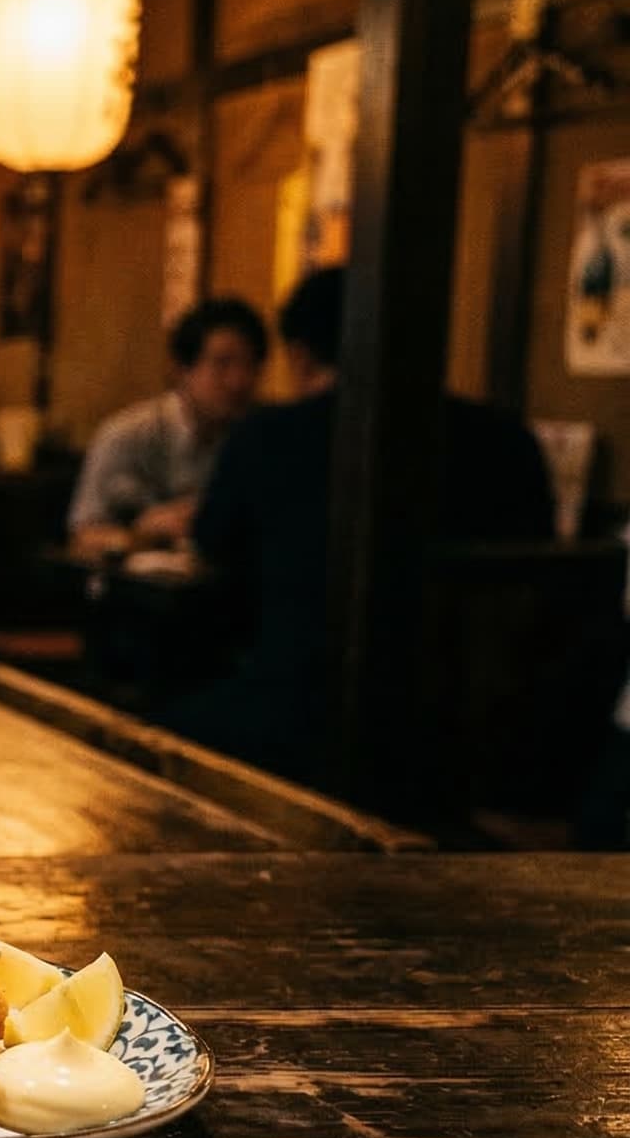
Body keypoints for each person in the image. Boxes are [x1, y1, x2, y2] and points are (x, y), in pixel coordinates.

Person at [175, 267, 554, 779]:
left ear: (301, 354)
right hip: (475, 739)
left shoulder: (267, 437)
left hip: (294, 717)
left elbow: (212, 545)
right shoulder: (506, 440)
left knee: (155, 738)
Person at [69, 298, 268, 555]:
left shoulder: (255, 437)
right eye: (222, 364)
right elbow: (83, 537)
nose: (238, 381)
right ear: (182, 370)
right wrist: (143, 533)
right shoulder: (127, 435)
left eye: (250, 365)